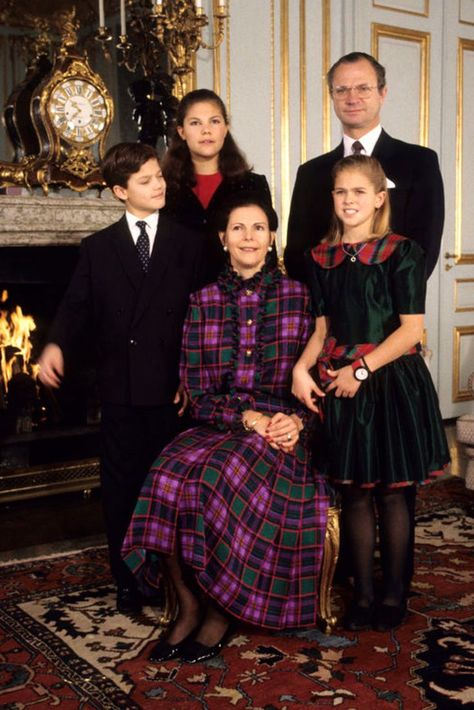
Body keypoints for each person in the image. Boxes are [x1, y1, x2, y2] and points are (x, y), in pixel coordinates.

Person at [121, 195, 329, 664]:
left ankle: (219, 610)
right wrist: (243, 419)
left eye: (259, 227)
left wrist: (298, 421)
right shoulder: (203, 301)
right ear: (223, 239)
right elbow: (197, 389)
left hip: (281, 429)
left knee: (213, 478)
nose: (249, 237)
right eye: (238, 228)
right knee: (167, 475)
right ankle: (189, 605)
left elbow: (322, 376)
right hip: (222, 423)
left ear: (272, 236)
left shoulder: (301, 297)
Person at [38, 142, 204, 614]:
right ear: (118, 191)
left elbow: (204, 318)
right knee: (122, 488)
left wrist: (191, 375)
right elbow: (75, 307)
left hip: (173, 389)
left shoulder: (189, 242)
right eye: (147, 180)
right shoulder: (98, 248)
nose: (160, 185)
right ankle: (129, 579)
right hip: (121, 388)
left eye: (159, 175)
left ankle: (179, 577)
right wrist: (53, 344)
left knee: (172, 488)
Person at [292, 155, 449, 633]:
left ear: (380, 198)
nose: (349, 201)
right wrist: (302, 368)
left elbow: (410, 332)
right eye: (341, 193)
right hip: (341, 382)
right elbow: (321, 332)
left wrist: (359, 370)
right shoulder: (320, 258)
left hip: (389, 380)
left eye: (360, 192)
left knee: (392, 494)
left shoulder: (402, 252)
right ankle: (361, 594)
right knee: (355, 493)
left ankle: (394, 595)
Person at [284, 51, 444, 282]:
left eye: (363, 88)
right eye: (342, 90)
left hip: (391, 311)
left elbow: (425, 247)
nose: (352, 98)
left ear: (382, 93)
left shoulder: (419, 162)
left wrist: (381, 304)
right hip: (323, 311)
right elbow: (297, 253)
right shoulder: (311, 172)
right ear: (332, 96)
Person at [162, 88, 274, 283]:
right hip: (177, 300)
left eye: (214, 121)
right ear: (181, 131)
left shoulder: (253, 185)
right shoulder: (163, 188)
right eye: (195, 123)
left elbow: (266, 252)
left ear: (225, 128)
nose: (206, 130)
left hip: (238, 299)